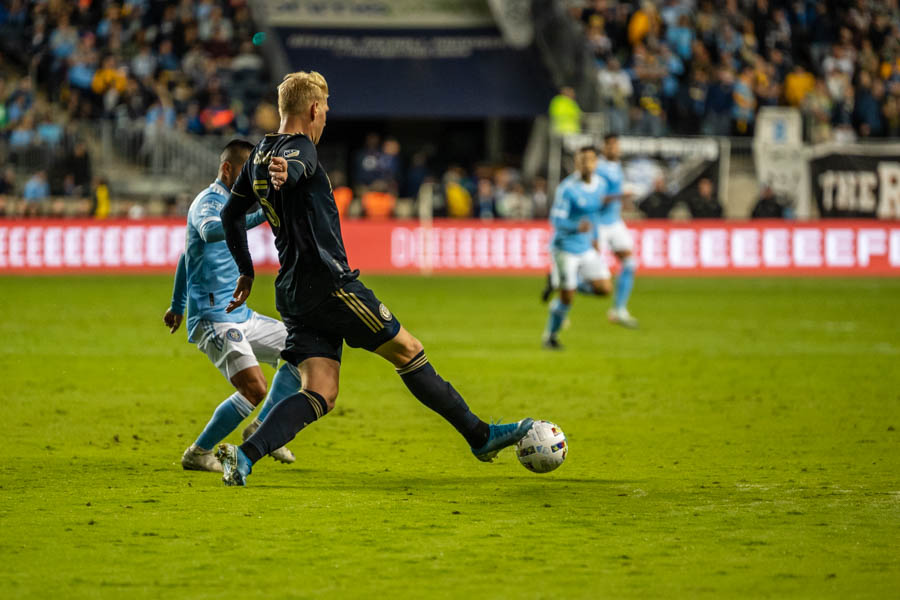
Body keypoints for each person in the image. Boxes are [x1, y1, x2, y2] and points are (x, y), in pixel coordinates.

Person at [216, 71, 533, 486]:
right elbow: (297, 165)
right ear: (313, 109)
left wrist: (246, 269)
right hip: (332, 287)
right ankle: (480, 435)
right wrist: (287, 174)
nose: (326, 117)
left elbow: (229, 214)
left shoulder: (258, 153)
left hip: (292, 289)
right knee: (408, 351)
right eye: (325, 109)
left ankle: (244, 456)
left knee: (321, 391)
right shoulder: (298, 150)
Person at [164, 139, 298, 473]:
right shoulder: (209, 201)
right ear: (227, 170)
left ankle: (263, 428)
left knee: (303, 350)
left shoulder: (231, 202)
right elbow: (209, 232)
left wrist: (176, 304)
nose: (252, 180)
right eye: (247, 173)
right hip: (213, 319)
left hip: (240, 314)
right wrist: (258, 216)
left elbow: (186, 256)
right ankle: (198, 452)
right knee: (254, 387)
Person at [541, 146, 611, 350]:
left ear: (596, 163)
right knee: (567, 299)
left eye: (589, 159)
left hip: (585, 246)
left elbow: (595, 216)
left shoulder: (601, 185)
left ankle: (561, 282)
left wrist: (595, 238)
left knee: (604, 289)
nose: (585, 164)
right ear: (576, 164)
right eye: (581, 160)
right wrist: (576, 226)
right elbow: (556, 220)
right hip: (564, 249)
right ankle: (550, 337)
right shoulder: (567, 188)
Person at [595, 134, 639, 329]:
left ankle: (619, 310)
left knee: (630, 263)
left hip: (615, 222)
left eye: (617, 146)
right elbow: (597, 198)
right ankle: (562, 305)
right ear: (604, 148)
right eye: (611, 146)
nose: (615, 149)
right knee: (589, 271)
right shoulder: (598, 169)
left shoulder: (617, 167)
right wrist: (622, 195)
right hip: (599, 224)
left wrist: (624, 202)